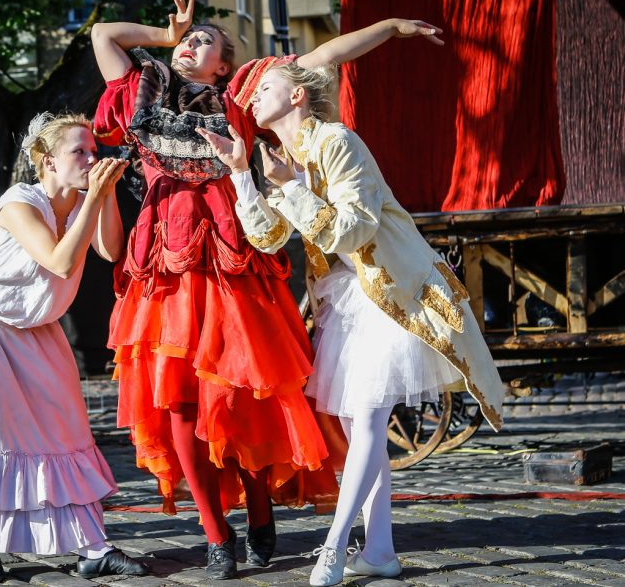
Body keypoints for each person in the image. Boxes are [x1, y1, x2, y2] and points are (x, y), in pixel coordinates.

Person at [90, 0, 445, 580]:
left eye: (205, 40)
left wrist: (388, 24)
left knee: (245, 392)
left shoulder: (238, 99)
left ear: (226, 65)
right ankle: (213, 532)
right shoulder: (139, 89)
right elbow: (103, 35)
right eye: (188, 38)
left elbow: (320, 59)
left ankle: (259, 513)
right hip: (165, 267)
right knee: (177, 403)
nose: (190, 44)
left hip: (233, 253)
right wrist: (166, 32)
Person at [200, 61, 504, 586]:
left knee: (364, 421)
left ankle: (336, 546)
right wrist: (240, 174)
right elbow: (268, 237)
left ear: (297, 96)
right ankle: (380, 551)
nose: (251, 98)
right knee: (356, 428)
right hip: (344, 301)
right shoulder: (282, 158)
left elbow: (353, 229)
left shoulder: (337, 140)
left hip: (390, 290)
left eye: (263, 87)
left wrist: (290, 187)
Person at [0, 113, 150, 583]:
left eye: (93, 150)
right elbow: (61, 263)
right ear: (47, 162)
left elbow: (110, 249)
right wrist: (93, 200)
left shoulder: (86, 198)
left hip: (35, 325)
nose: (92, 158)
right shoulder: (18, 202)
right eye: (79, 152)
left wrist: (101, 195)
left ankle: (93, 548)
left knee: (63, 427)